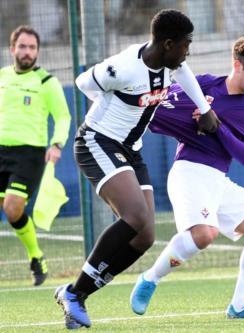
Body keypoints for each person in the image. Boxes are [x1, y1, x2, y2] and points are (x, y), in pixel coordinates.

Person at [54, 9, 220, 329]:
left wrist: (205, 109)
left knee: (144, 237)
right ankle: (75, 294)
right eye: (186, 45)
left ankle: (76, 292)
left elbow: (183, 72)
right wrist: (103, 111)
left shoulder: (170, 64)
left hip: (132, 151)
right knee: (135, 216)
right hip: (97, 142)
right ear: (168, 44)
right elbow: (83, 82)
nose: (188, 51)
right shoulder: (124, 68)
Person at [130, 36, 244, 318]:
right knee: (204, 234)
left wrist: (215, 125)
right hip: (189, 172)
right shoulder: (205, 84)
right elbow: (159, 108)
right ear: (237, 64)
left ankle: (240, 306)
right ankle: (150, 279)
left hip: (218, 181)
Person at [0, 25, 71, 286]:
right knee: (8, 211)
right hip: (1, 151)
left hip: (29, 155)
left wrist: (57, 143)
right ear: (12, 49)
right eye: (23, 46)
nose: (27, 52)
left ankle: (35, 256)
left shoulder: (46, 82)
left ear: (37, 51)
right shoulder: (3, 76)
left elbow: (63, 116)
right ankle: (36, 255)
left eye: (32, 48)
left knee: (12, 206)